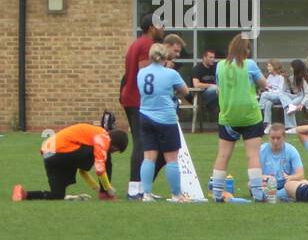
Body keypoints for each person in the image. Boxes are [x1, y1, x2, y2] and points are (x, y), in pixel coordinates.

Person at [210, 34, 270, 203]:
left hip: (228, 115)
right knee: (252, 155)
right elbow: (264, 83)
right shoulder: (249, 64)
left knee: (223, 155)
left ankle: (216, 193)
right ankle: (258, 193)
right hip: (250, 115)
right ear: (246, 49)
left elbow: (219, 89)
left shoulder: (220, 66)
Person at [134, 43, 191, 201]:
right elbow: (185, 91)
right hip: (166, 117)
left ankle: (146, 193)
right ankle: (176, 194)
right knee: (171, 159)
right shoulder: (171, 74)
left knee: (149, 157)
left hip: (145, 115)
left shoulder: (141, 73)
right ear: (165, 56)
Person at [13, 123, 127, 201]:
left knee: (57, 195)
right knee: (104, 159)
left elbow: (82, 170)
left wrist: (95, 187)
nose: (113, 152)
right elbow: (100, 168)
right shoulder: (103, 137)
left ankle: (25, 194)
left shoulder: (88, 140)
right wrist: (107, 189)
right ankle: (105, 195)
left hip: (48, 153)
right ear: (114, 143)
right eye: (115, 150)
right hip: (62, 150)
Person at [121, 12, 165, 199]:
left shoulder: (136, 43)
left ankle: (142, 188)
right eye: (161, 25)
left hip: (132, 98)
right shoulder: (147, 45)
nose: (163, 29)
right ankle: (134, 189)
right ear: (152, 28)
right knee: (141, 143)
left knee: (148, 144)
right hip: (138, 101)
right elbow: (147, 75)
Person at [258, 123, 305, 202]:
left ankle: (271, 196)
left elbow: (301, 174)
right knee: (251, 184)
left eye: (278, 138)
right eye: (272, 138)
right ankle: (285, 196)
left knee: (304, 182)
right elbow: (254, 175)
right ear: (268, 137)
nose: (275, 141)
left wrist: (290, 177)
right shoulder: (261, 150)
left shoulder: (291, 150)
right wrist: (267, 178)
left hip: (287, 185)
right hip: (268, 184)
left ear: (284, 138)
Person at [258, 60, 296, 126]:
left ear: (275, 67)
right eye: (268, 66)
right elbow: (267, 86)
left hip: (282, 97)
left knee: (264, 94)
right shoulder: (270, 76)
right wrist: (268, 89)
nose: (268, 68)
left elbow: (280, 91)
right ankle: (267, 124)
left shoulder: (281, 77)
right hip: (273, 96)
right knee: (268, 103)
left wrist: (270, 91)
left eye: (269, 66)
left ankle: (259, 109)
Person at [283, 58, 308, 131]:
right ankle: (291, 127)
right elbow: (285, 90)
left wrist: (302, 104)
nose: (290, 69)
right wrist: (285, 79)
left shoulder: (305, 77)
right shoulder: (294, 77)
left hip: (305, 98)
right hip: (297, 96)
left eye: (292, 67)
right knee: (282, 96)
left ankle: (292, 128)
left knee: (289, 106)